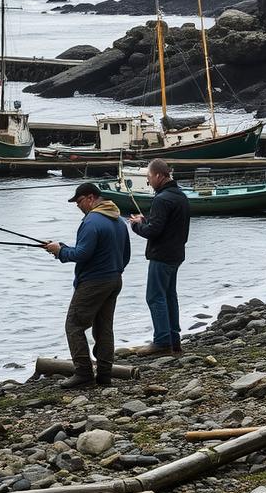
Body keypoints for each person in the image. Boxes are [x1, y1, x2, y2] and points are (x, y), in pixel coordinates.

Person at [44, 182, 130, 388]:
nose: (78, 206)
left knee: (74, 325)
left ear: (91, 198)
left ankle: (83, 374)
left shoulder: (92, 221)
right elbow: (125, 255)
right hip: (114, 279)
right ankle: (104, 375)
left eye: (79, 201)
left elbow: (82, 254)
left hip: (93, 282)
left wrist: (60, 252)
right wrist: (62, 247)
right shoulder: (118, 220)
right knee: (103, 328)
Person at [129, 159, 191, 356]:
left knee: (155, 297)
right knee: (169, 296)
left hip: (162, 256)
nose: (148, 181)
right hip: (176, 254)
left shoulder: (162, 199)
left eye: (148, 177)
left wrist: (136, 225)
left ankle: (162, 341)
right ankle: (174, 339)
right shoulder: (180, 196)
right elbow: (164, 225)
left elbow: (153, 232)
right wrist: (145, 220)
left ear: (158, 176)